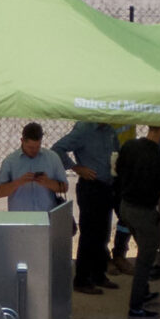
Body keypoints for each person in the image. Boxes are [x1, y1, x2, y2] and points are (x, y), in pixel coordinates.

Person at [113, 125, 160, 319]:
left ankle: (143, 292)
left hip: (126, 207)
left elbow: (118, 170)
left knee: (144, 250)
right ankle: (136, 307)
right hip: (144, 212)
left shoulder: (130, 146)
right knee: (145, 260)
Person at [55, 116, 121, 295]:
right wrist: (77, 168)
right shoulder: (84, 129)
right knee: (89, 234)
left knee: (103, 233)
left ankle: (99, 274)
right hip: (91, 187)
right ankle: (82, 279)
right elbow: (58, 149)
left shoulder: (110, 130)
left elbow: (116, 153)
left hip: (107, 186)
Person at [0, 123, 69, 213]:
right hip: (20, 218)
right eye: (30, 147)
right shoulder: (10, 161)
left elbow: (64, 188)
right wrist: (19, 182)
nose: (34, 150)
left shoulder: (52, 158)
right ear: (22, 141)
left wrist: (48, 182)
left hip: (47, 216)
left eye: (37, 147)